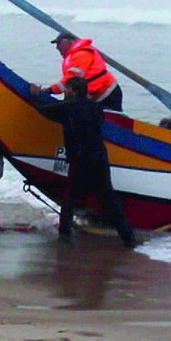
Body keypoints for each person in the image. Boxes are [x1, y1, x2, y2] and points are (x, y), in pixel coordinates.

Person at [31, 76, 135, 247]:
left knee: (70, 199)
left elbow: (44, 110)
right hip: (100, 157)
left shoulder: (67, 107)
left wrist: (35, 95)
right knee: (109, 199)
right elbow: (100, 122)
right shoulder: (96, 108)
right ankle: (128, 238)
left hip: (80, 159)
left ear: (74, 90)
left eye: (67, 89)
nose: (65, 92)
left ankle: (64, 237)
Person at [30, 31, 123, 111]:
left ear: (68, 42)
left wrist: (48, 91)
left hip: (107, 94)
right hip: (93, 96)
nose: (57, 47)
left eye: (59, 43)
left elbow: (71, 79)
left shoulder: (82, 54)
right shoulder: (73, 57)